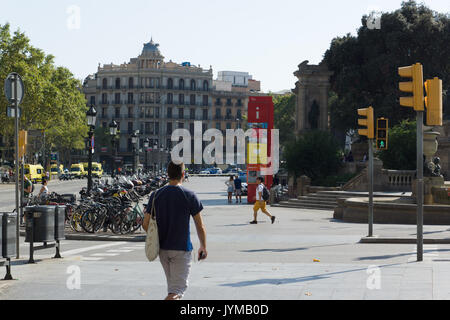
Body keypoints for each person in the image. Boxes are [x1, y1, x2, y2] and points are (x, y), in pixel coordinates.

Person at [143, 161, 207, 300]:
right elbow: (200, 225)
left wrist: (156, 237)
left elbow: (145, 223)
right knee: (177, 291)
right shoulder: (189, 195)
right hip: (181, 248)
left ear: (167, 174)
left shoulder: (156, 195)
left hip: (162, 249)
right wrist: (203, 246)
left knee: (173, 288)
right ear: (183, 175)